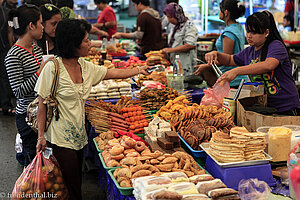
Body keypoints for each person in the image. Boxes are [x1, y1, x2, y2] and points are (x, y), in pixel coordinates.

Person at [35, 19, 150, 200]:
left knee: (75, 181)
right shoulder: (52, 68)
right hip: (58, 138)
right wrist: (41, 136)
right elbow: (41, 103)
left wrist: (139, 70)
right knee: (69, 185)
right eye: (86, 40)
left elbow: (113, 73)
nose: (90, 43)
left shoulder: (86, 67)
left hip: (80, 137)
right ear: (74, 44)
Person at [203, 11, 300, 115]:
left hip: (286, 108)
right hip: (265, 108)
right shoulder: (250, 51)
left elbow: (268, 65)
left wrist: (237, 71)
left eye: (254, 33)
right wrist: (216, 54)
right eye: (248, 31)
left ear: (266, 32)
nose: (249, 36)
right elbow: (230, 60)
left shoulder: (276, 46)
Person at [5, 4, 45, 166]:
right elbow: (19, 91)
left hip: (42, 113)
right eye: (41, 23)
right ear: (31, 26)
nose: (43, 27)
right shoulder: (13, 56)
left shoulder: (36, 48)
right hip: (28, 118)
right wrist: (40, 72)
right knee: (33, 167)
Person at [195, 0, 247, 87]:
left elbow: (226, 59)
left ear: (226, 12)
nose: (219, 12)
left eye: (220, 10)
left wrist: (206, 66)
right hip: (237, 77)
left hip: (231, 80)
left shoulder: (229, 33)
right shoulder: (238, 27)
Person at [161, 3, 197, 76]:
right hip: (176, 63)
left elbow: (191, 44)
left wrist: (170, 50)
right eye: (167, 17)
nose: (169, 20)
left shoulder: (189, 26)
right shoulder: (175, 26)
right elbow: (177, 40)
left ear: (177, 15)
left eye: (170, 17)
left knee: (186, 84)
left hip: (186, 64)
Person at [0, 0, 16, 116]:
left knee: (3, 75)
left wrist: (11, 47)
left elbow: (10, 30)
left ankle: (5, 104)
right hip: (4, 46)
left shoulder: (6, 12)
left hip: (3, 46)